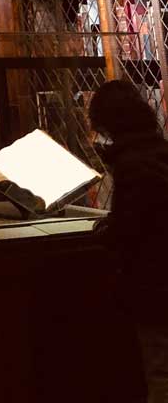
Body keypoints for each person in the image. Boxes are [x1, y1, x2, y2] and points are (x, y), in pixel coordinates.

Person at [90, 80, 168, 401]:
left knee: (160, 372)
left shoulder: (130, 164)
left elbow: (129, 229)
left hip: (153, 288)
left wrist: (106, 231)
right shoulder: (159, 152)